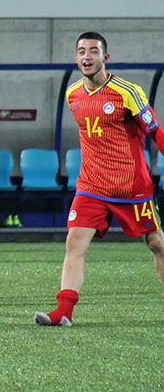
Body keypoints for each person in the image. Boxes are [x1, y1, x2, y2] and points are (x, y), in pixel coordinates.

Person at [34, 32, 164, 327]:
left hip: (130, 187)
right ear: (75, 57)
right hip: (91, 186)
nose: (87, 56)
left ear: (105, 57)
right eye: (82, 51)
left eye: (93, 51)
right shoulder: (73, 94)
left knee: (156, 243)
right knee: (74, 243)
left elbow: (155, 131)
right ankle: (63, 311)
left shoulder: (127, 92)